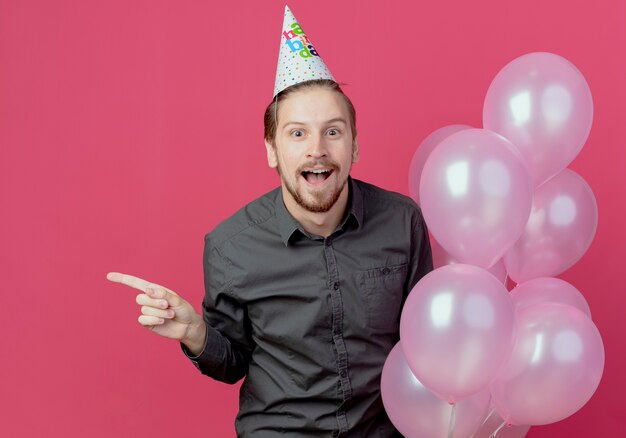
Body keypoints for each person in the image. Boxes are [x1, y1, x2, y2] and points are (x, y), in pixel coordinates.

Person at [107, 6, 432, 437]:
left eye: (333, 131)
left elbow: (427, 345)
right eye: (297, 133)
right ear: (272, 150)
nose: (316, 149)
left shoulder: (402, 222)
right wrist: (196, 334)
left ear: (354, 146)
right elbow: (232, 363)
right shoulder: (230, 246)